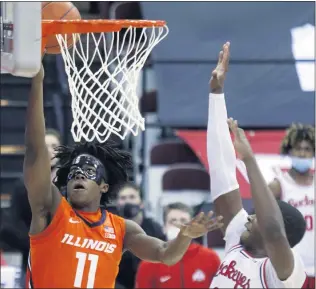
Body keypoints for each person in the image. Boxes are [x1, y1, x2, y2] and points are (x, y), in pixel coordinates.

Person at [24, 64, 224, 288]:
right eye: (74, 173)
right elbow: (34, 153)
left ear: (104, 187)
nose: (79, 175)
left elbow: (165, 254)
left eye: (89, 173)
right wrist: (37, 82)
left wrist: (185, 236)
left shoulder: (122, 229)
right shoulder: (52, 210)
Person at [207, 42, 307, 288]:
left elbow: (273, 231)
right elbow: (221, 171)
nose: (249, 217)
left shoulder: (286, 271)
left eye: (256, 216)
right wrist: (216, 95)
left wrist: (249, 160)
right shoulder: (237, 239)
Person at [0, 128, 62, 281]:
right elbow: (11, 227)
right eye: (44, 146)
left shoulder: (75, 185)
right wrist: (37, 244)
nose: (49, 151)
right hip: (33, 261)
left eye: (54, 146)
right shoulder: (23, 186)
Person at [268, 124, 315, 288]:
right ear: (289, 151)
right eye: (298, 148)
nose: (302, 153)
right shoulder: (277, 185)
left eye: (307, 149)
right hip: (291, 267)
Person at [136, 202, 221, 288]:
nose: (179, 227)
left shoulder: (210, 258)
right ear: (164, 228)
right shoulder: (150, 262)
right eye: (173, 221)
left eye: (183, 221)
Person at [116, 183, 165, 289]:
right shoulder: (110, 228)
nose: (127, 201)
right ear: (118, 203)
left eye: (132, 197)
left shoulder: (154, 228)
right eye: (123, 198)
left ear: (141, 203)